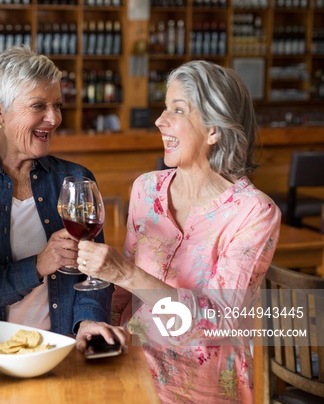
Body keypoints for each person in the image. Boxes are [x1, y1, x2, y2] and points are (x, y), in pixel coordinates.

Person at [76, 60, 281, 403]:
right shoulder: (146, 189)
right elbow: (122, 297)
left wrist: (126, 273)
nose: (160, 120)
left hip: (204, 388)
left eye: (178, 109)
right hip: (131, 372)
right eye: (164, 106)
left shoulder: (254, 212)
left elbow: (217, 323)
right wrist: (98, 326)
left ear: (213, 129)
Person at [0, 45, 114, 335]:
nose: (54, 119)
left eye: (57, 105)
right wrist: (38, 265)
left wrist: (89, 322)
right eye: (38, 106)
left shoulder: (76, 179)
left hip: (63, 349)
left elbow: (95, 273)